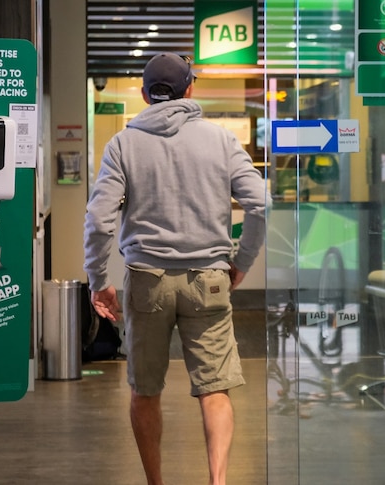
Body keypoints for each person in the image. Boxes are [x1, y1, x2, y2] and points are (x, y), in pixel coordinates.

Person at [83, 53, 268, 485]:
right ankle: (218, 481)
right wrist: (242, 262)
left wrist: (99, 281)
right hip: (209, 279)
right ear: (190, 90)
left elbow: (98, 219)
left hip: (147, 281)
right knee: (215, 390)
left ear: (147, 95)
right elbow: (259, 202)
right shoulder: (221, 140)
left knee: (145, 390)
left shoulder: (123, 144)